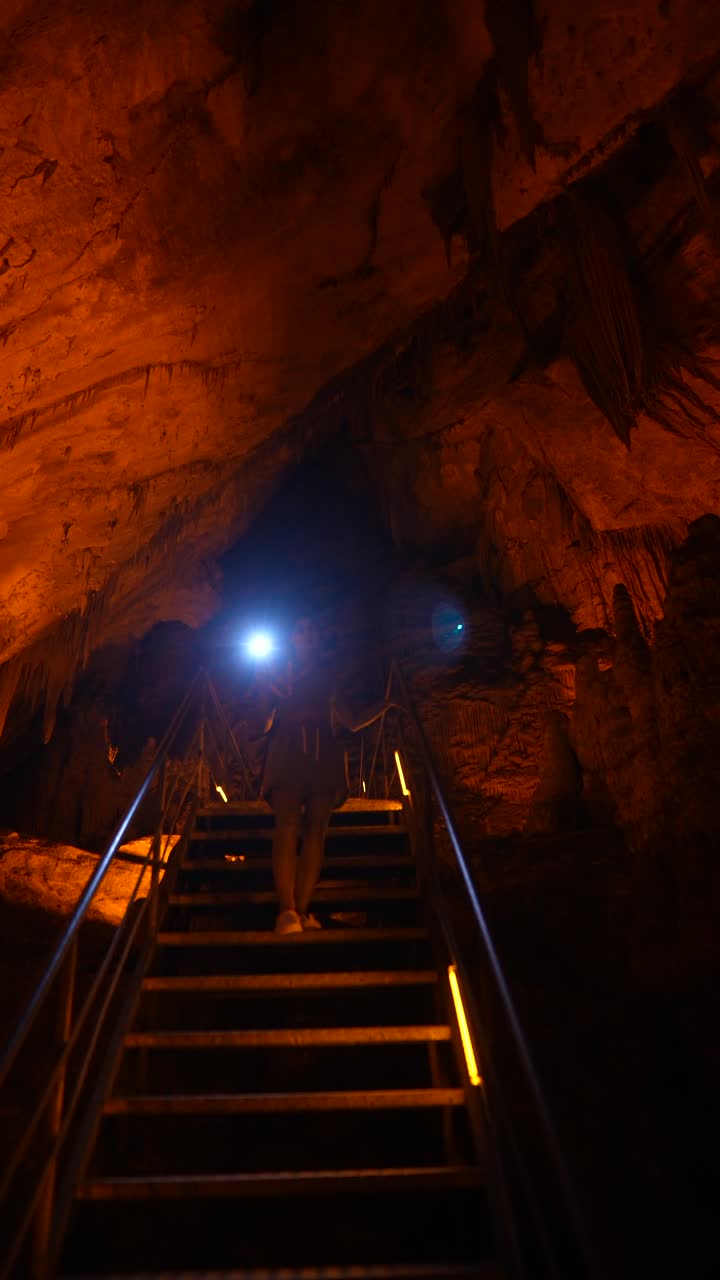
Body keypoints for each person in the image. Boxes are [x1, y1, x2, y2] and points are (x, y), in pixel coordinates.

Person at [261, 615, 391, 934]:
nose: (308, 635)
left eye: (313, 630)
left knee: (317, 830)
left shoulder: (328, 676)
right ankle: (286, 910)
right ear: (292, 637)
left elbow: (350, 719)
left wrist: (387, 704)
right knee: (288, 823)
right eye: (302, 629)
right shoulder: (276, 670)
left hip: (324, 752)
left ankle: (302, 911)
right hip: (289, 747)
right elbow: (261, 719)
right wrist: (272, 693)